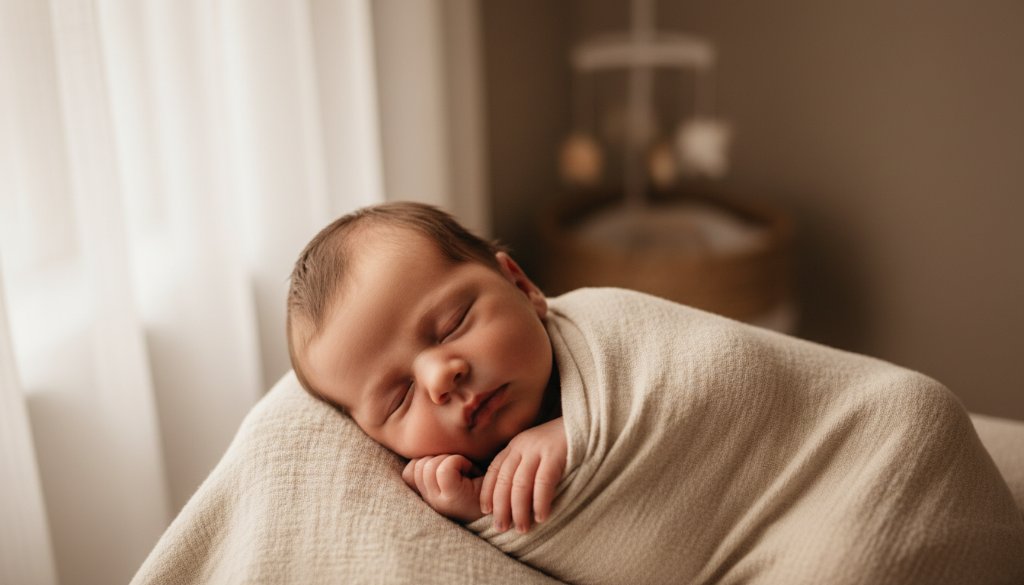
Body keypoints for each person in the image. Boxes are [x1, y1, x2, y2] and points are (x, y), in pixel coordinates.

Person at [286, 201, 565, 534]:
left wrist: (577, 430)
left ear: (520, 285)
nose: (439, 378)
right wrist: (481, 511)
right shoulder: (454, 493)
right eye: (400, 398)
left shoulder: (608, 342)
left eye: (453, 325)